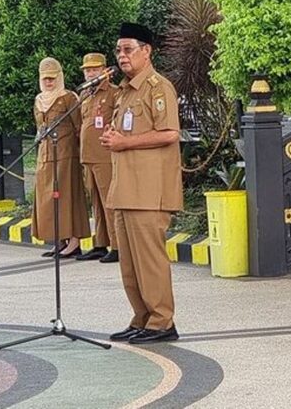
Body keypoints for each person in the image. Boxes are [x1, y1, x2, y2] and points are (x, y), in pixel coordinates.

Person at [100, 22, 183, 344]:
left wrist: (124, 143)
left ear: (146, 51)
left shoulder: (158, 88)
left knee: (150, 262)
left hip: (149, 192)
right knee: (130, 264)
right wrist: (114, 138)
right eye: (118, 50)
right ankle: (142, 317)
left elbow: (169, 134)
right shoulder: (124, 92)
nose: (122, 56)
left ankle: (162, 321)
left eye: (128, 49)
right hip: (125, 190)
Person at [32, 57, 91, 258]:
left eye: (52, 78)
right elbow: (39, 127)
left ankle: (74, 241)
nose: (49, 82)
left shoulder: (68, 98)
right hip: (45, 155)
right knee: (47, 199)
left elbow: (78, 128)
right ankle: (59, 239)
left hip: (66, 155)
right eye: (45, 79)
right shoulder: (39, 100)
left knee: (67, 196)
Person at [75, 52, 119, 263]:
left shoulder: (113, 93)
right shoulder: (85, 95)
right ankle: (100, 242)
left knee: (109, 201)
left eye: (94, 69)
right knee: (96, 203)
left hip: (105, 155)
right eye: (87, 70)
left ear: (105, 70)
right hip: (88, 156)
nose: (90, 73)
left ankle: (118, 245)